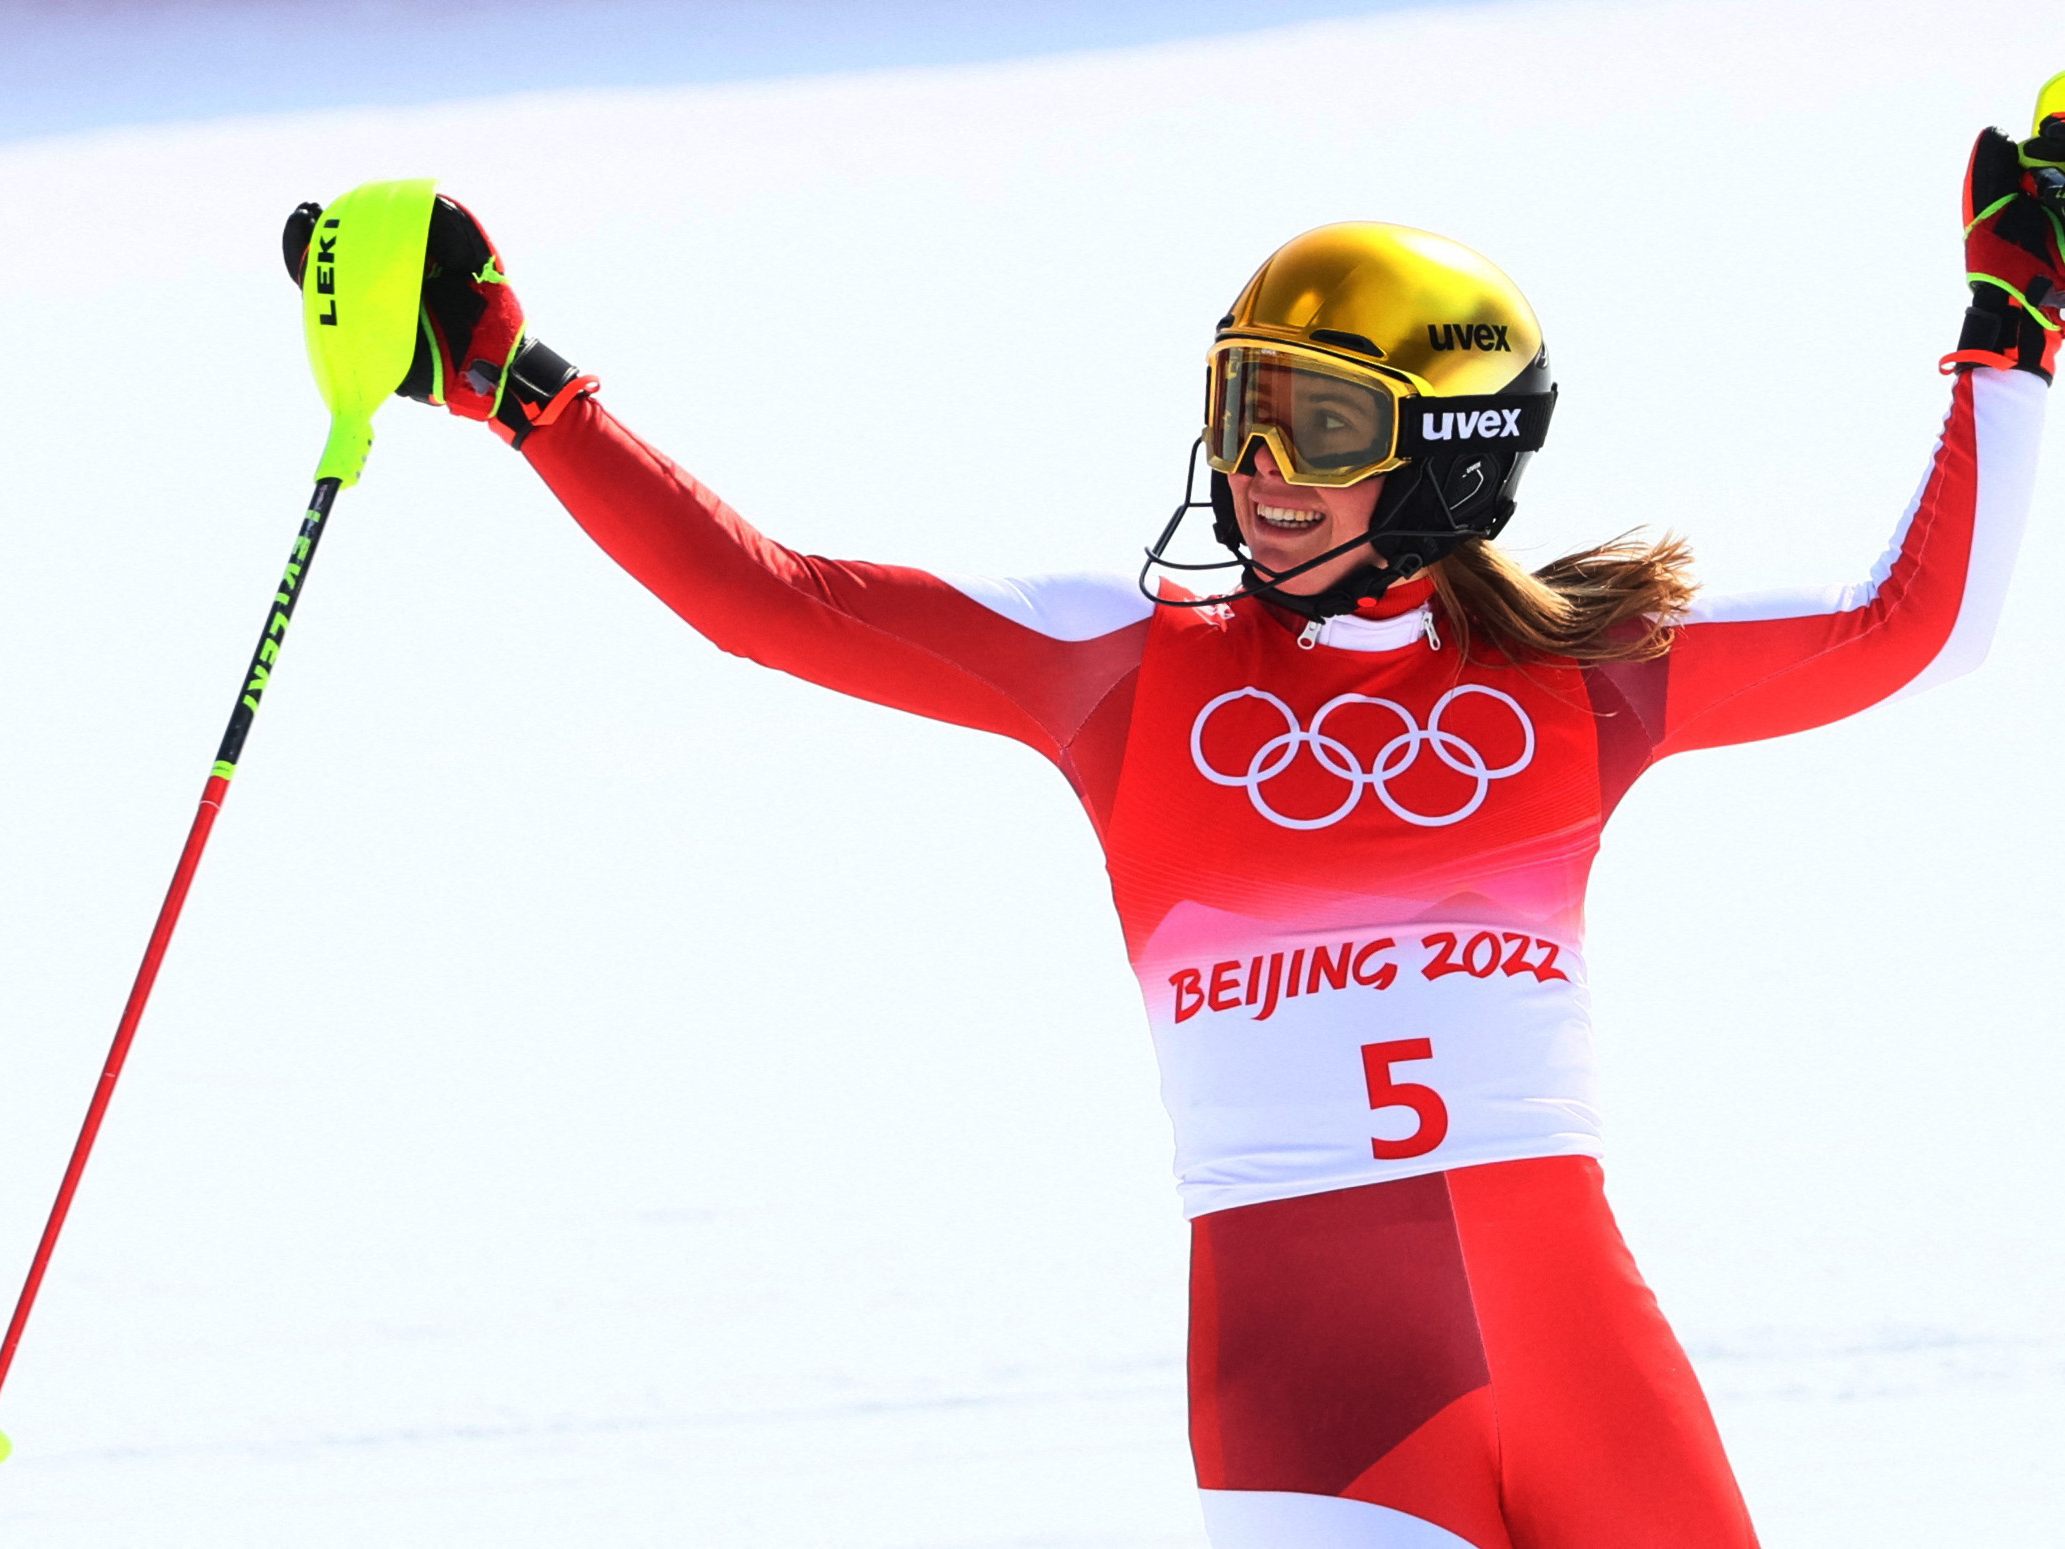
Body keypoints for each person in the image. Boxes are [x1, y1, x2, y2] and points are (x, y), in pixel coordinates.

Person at [287, 107, 2059, 1547]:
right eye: (1242, 407)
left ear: (1445, 455)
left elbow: (1918, 628)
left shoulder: (1585, 676)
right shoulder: (1124, 669)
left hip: (1587, 1364)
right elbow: (776, 598)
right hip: (1327, 1396)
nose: (1258, 465)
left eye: (1318, 421)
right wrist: (521, 386)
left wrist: (2015, 322)